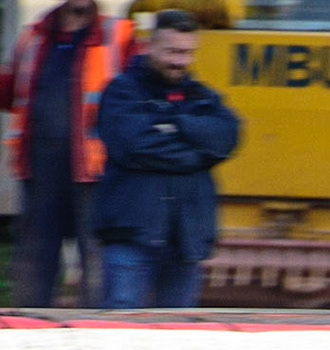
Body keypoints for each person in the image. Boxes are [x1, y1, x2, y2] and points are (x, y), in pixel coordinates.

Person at [91, 8, 239, 308]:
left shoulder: (203, 97)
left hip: (184, 240)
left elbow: (227, 137)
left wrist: (173, 124)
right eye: (171, 51)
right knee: (118, 333)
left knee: (178, 338)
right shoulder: (121, 93)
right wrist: (195, 155)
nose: (179, 61)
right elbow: (132, 147)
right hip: (130, 237)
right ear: (150, 46)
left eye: (187, 53)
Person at [0, 0, 135, 306]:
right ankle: (27, 335)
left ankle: (96, 334)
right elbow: (10, 92)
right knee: (34, 261)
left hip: (95, 171)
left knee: (96, 260)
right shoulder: (34, 35)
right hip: (38, 168)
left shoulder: (118, 35)